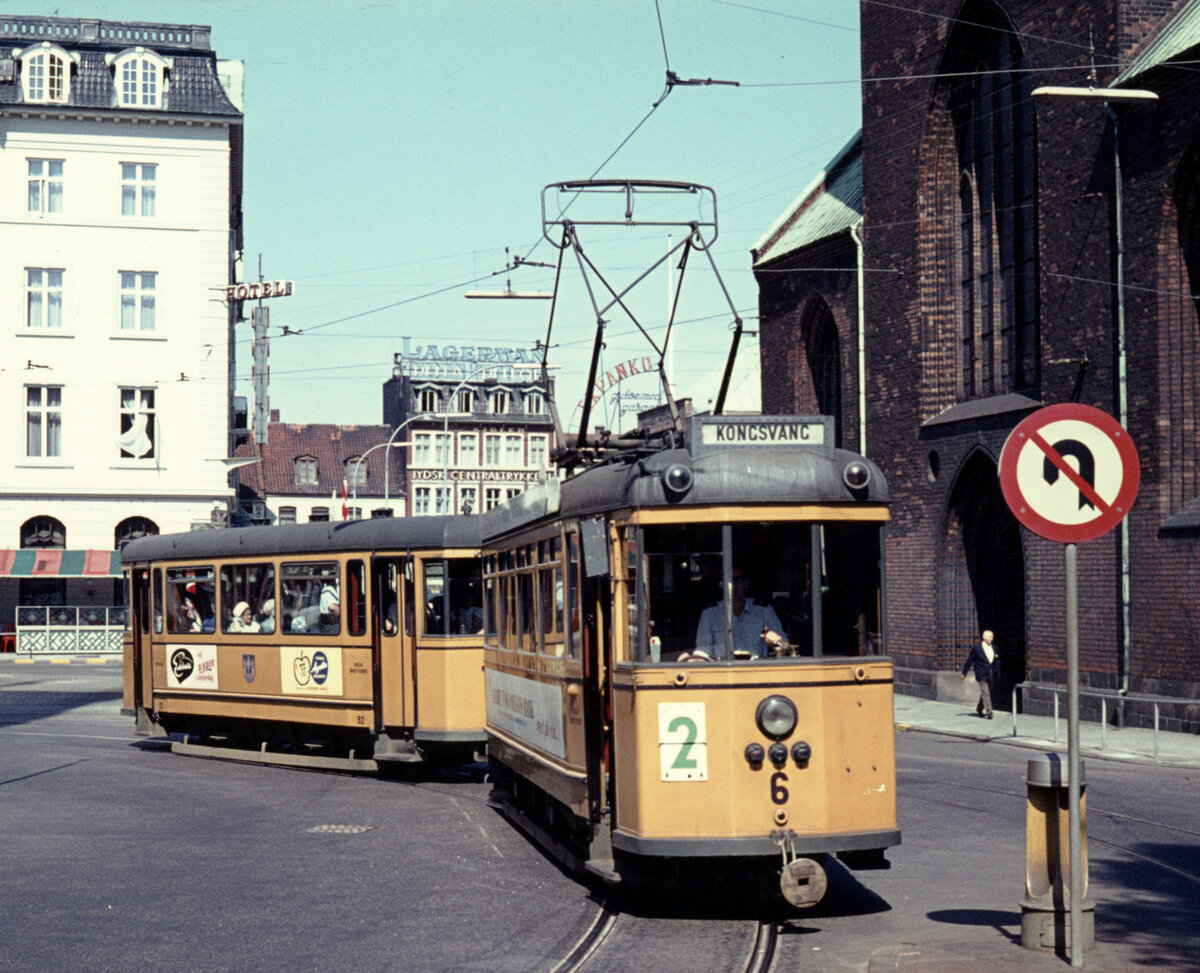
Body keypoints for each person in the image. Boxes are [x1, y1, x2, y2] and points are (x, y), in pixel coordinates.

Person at [680, 569, 785, 661]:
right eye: (728, 581)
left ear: (746, 583)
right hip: (723, 675)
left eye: (738, 580)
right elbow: (703, 651)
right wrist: (690, 660)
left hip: (756, 672)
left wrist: (777, 644)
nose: (733, 586)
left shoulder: (764, 611)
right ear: (722, 584)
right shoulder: (710, 614)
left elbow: (786, 646)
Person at [961, 629, 1000, 719]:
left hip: (991, 674)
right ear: (984, 637)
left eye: (992, 637)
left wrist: (997, 670)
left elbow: (997, 661)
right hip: (981, 674)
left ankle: (979, 708)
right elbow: (969, 661)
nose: (992, 639)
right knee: (985, 692)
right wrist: (964, 673)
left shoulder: (994, 648)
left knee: (987, 692)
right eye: (990, 637)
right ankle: (989, 711)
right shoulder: (977, 649)